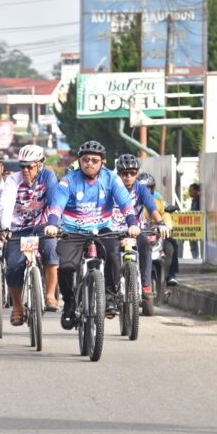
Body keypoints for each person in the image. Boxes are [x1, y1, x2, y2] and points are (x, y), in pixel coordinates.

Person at [44, 140, 141, 330]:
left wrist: (132, 224)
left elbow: (125, 204)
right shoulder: (69, 180)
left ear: (102, 163)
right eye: (85, 159)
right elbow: (57, 205)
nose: (89, 163)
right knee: (65, 267)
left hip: (102, 229)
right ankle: (70, 304)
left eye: (94, 160)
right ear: (79, 161)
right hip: (73, 231)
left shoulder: (111, 178)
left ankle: (109, 297)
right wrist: (52, 224)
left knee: (114, 256)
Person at [0, 144, 60, 325]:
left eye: (29, 166)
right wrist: (5, 227)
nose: (25, 170)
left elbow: (55, 199)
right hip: (18, 229)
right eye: (22, 166)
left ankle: (50, 295)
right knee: (13, 265)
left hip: (43, 225)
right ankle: (18, 306)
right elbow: (6, 204)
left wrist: (53, 224)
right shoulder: (13, 180)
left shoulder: (48, 177)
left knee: (50, 249)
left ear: (40, 164)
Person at [112, 155, 170, 299]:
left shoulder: (141, 189)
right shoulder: (110, 188)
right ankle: (109, 289)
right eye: (124, 173)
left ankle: (146, 284)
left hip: (136, 230)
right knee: (110, 254)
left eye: (132, 173)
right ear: (118, 174)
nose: (128, 177)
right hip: (113, 231)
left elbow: (152, 207)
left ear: (137, 174)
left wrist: (160, 223)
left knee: (145, 246)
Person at [138, 172, 178, 286]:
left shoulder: (157, 200)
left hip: (155, 233)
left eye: (148, 188)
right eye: (142, 188)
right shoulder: (129, 200)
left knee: (171, 244)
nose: (145, 191)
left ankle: (170, 275)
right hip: (137, 235)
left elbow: (163, 213)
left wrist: (167, 225)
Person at [188, 183, 201, 259]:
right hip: (192, 224)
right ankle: (195, 256)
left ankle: (196, 256)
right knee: (192, 239)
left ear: (197, 191)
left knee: (193, 240)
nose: (189, 193)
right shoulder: (193, 201)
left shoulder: (199, 200)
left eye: (191, 191)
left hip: (198, 224)